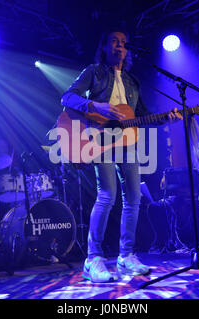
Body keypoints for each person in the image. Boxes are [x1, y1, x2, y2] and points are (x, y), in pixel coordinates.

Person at [61, 27, 182, 282]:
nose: (119, 46)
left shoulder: (132, 82)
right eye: (114, 41)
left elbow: (141, 115)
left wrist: (166, 118)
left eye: (123, 43)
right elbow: (67, 97)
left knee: (134, 197)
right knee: (107, 195)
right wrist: (96, 105)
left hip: (126, 142)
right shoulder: (93, 72)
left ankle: (126, 256)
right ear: (104, 47)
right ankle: (93, 259)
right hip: (98, 139)